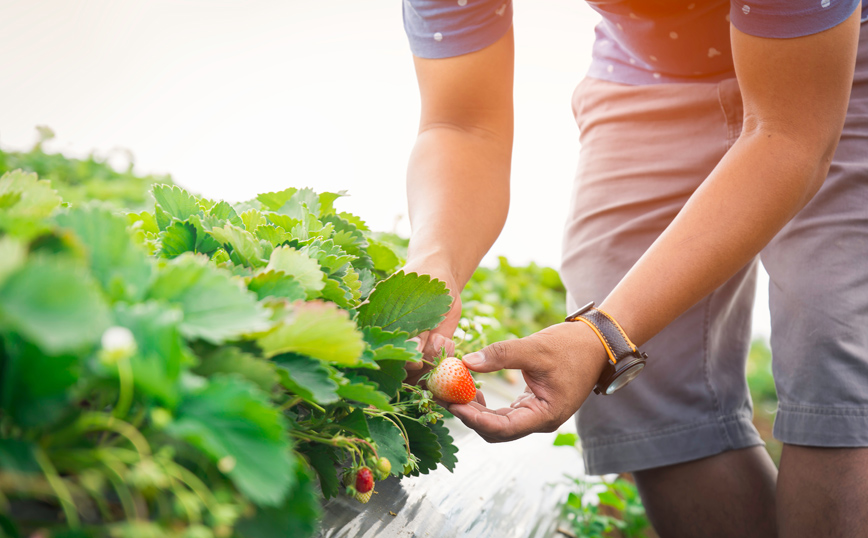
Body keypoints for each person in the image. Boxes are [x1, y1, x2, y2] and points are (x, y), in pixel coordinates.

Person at [399, 0, 868, 536]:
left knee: (837, 352)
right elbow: (461, 122)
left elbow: (790, 133)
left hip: (833, 52)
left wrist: (602, 334)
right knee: (640, 387)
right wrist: (435, 262)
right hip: (649, 69)